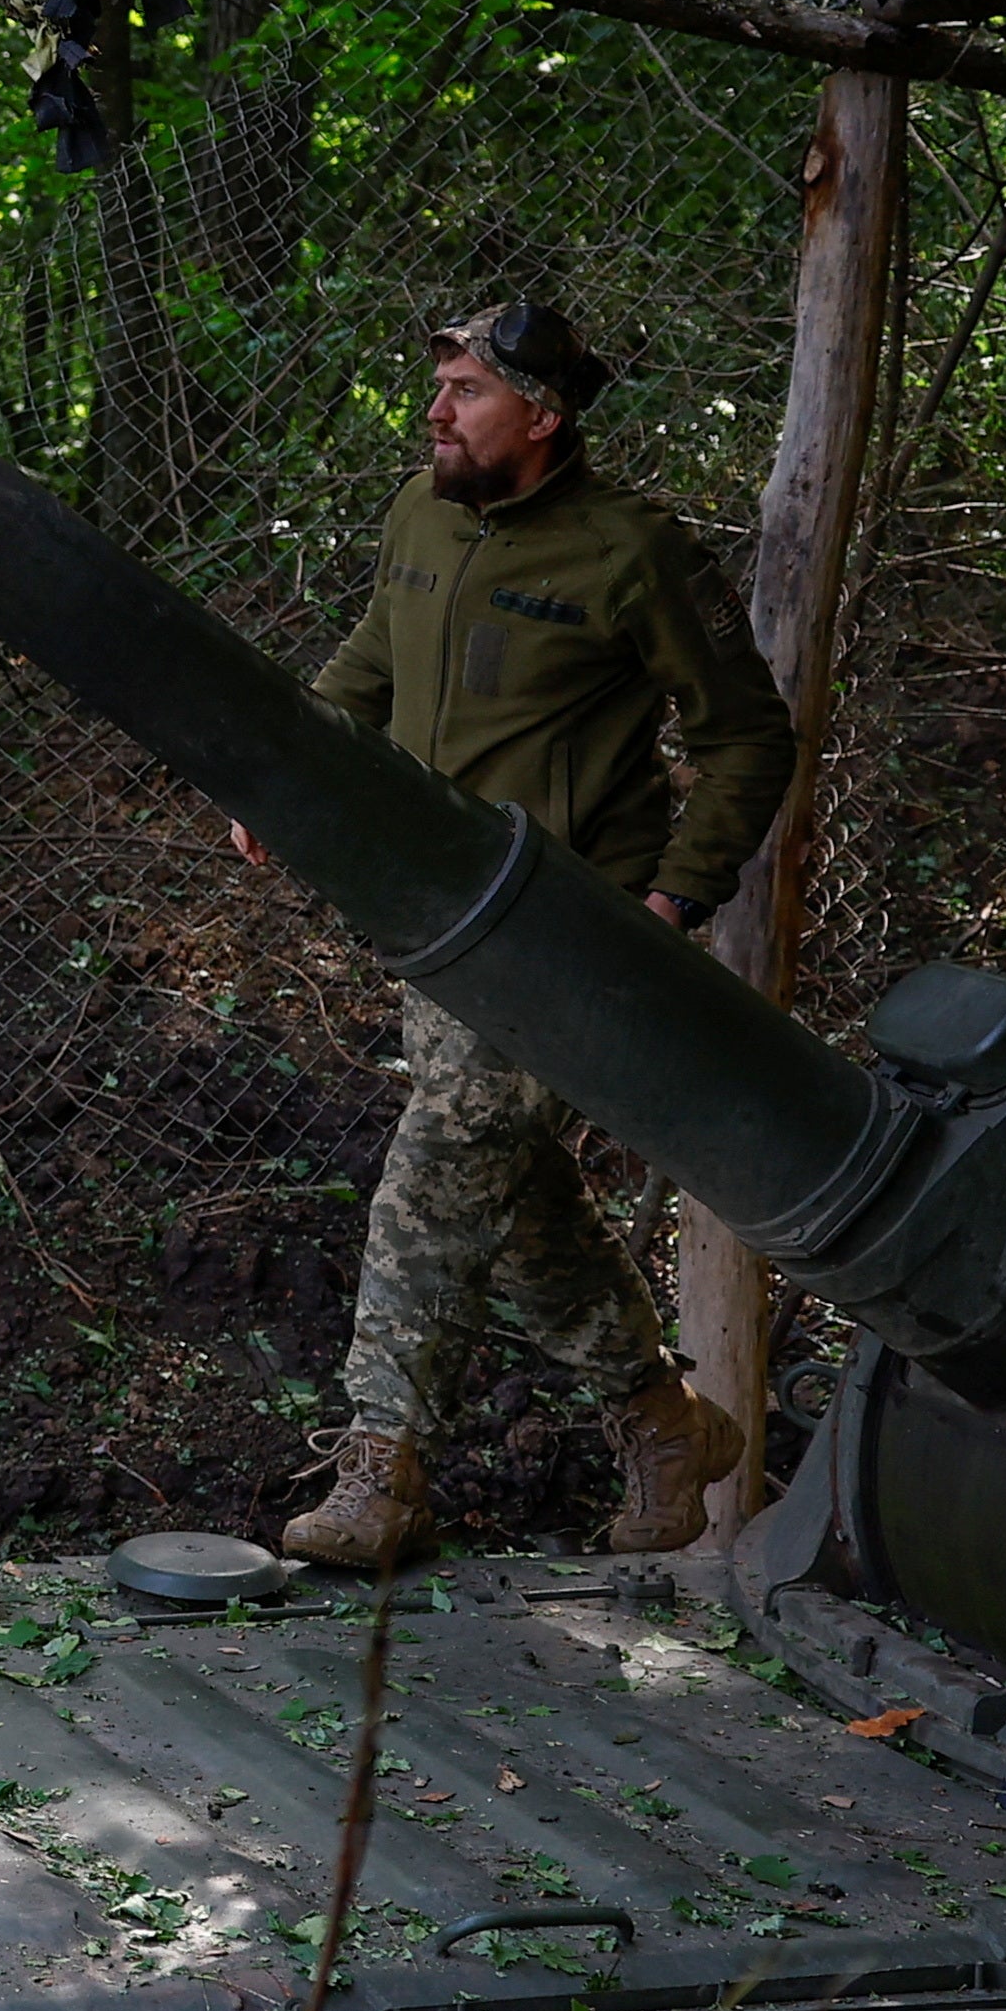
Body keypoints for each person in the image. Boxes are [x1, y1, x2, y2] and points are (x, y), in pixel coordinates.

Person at [233, 303, 797, 1572]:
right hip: (432, 920)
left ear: (542, 416)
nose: (436, 410)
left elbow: (749, 737)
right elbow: (364, 667)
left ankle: (380, 1467)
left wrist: (668, 903)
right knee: (519, 1194)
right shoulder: (419, 515)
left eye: (466, 390)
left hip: (572, 936)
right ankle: (666, 1423)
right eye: (437, 383)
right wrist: (276, 774)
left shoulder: (634, 549)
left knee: (440, 1160)